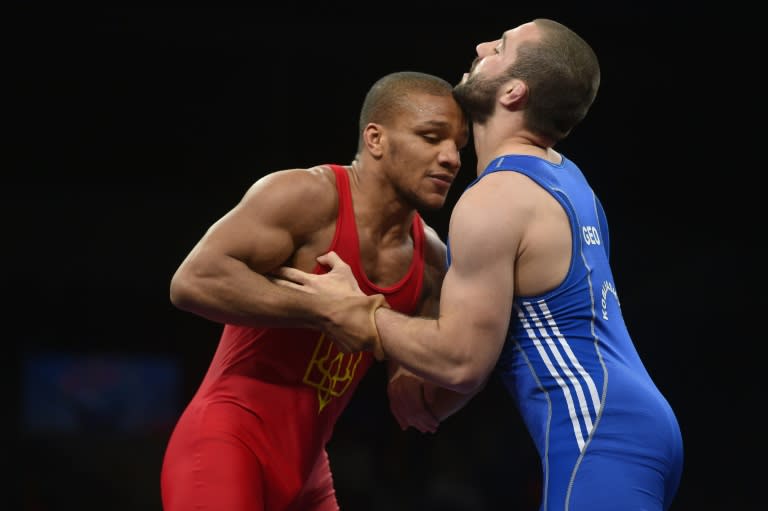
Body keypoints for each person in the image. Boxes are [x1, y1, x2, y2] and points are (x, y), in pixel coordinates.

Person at [273, 19, 684, 511]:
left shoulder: (494, 198)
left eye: (501, 46)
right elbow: (508, 334)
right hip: (638, 425)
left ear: (513, 91)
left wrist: (356, 312)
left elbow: (463, 361)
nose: (481, 45)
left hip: (598, 434)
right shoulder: (567, 179)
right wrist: (434, 396)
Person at [160, 71, 472, 511]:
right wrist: (321, 309)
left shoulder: (431, 258)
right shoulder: (305, 196)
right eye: (431, 137)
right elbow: (192, 281)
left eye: (458, 145)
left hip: (309, 471)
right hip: (225, 443)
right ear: (376, 139)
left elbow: (424, 396)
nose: (451, 158)